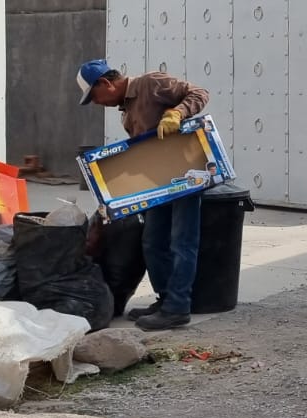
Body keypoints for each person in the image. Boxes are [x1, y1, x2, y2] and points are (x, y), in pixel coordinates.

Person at [76, 58, 210, 332]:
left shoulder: (151, 83)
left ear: (106, 83)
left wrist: (177, 113)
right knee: (152, 241)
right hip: (158, 182)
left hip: (185, 174)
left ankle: (178, 307)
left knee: (182, 242)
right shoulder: (126, 109)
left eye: (95, 96)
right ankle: (165, 300)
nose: (97, 103)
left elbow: (199, 93)